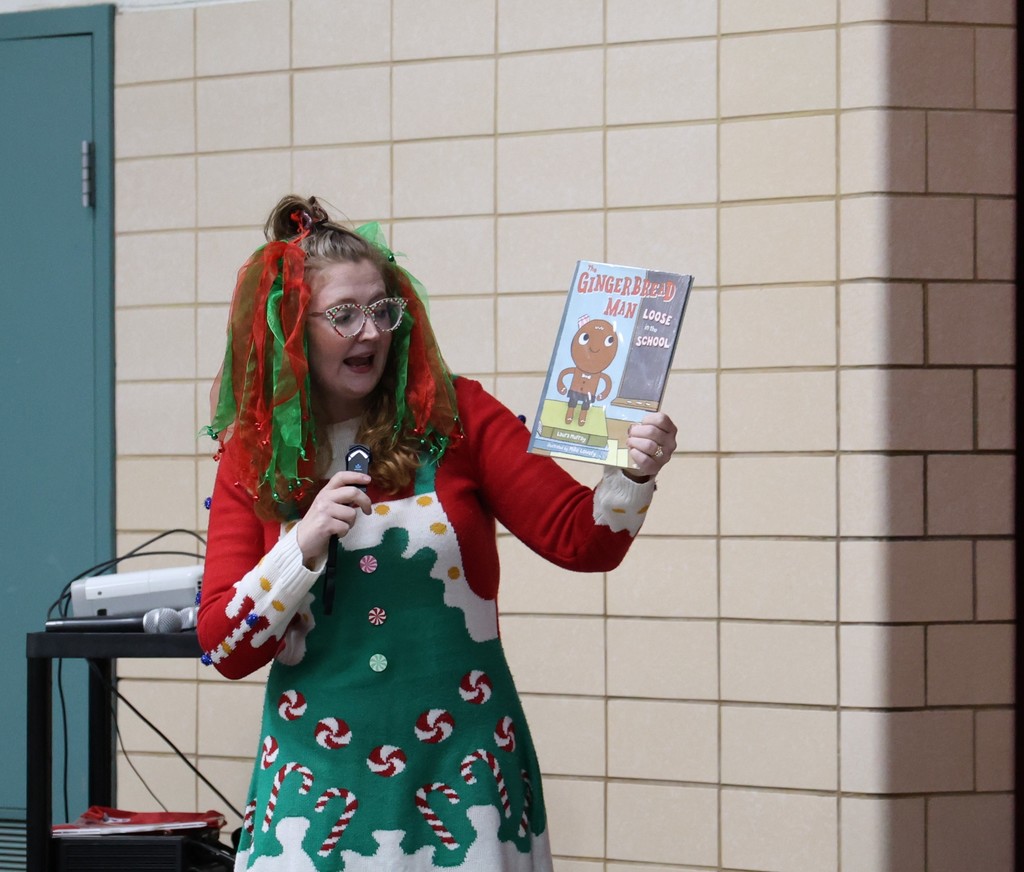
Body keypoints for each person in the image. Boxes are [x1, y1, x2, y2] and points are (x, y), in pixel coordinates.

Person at [197, 195, 678, 872]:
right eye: (343, 315)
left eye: (382, 310)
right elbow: (223, 645)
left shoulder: (460, 418)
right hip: (315, 796)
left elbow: (584, 541)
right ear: (292, 330)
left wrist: (631, 475)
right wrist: (298, 547)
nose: (369, 332)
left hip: (464, 779)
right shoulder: (251, 456)